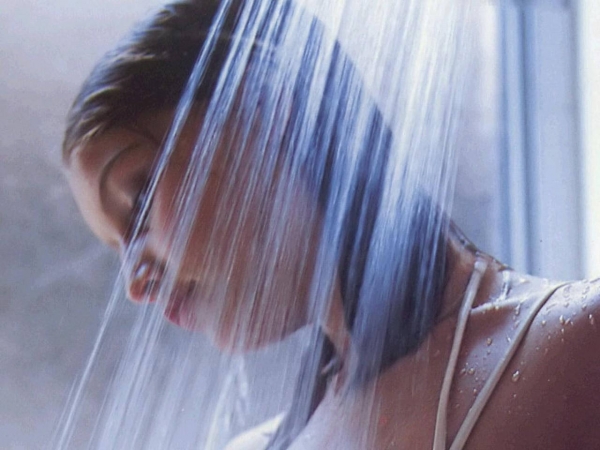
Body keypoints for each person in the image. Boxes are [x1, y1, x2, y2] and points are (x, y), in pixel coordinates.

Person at [63, 0, 600, 448]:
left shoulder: (577, 346)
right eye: (117, 248)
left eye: (139, 206)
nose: (135, 285)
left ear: (264, 108)